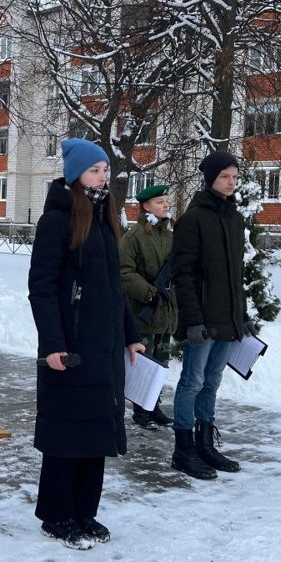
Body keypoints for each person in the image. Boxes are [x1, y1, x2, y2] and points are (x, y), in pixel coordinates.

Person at [28, 138, 145, 550]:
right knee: (66, 432)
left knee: (95, 431)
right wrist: (53, 345)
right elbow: (41, 288)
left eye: (105, 170)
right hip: (72, 348)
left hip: (104, 345)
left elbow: (115, 290)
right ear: (75, 173)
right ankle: (57, 515)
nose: (102, 177)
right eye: (95, 170)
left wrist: (131, 336)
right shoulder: (56, 221)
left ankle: (84, 512)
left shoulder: (105, 219)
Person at [170, 150, 255, 480]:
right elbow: (183, 274)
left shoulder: (234, 217)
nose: (231, 182)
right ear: (210, 179)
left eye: (235, 177)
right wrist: (193, 320)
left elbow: (236, 273)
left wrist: (242, 314)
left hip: (226, 318)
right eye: (225, 176)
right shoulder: (194, 218)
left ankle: (205, 444)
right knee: (192, 381)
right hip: (202, 321)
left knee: (213, 382)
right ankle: (183, 449)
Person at [119, 184, 178, 430]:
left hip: (164, 310)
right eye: (159, 202)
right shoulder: (135, 236)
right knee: (144, 363)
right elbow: (124, 271)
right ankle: (140, 410)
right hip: (143, 311)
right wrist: (149, 293)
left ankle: (153, 405)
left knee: (161, 362)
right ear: (146, 206)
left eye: (166, 201)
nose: (165, 205)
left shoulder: (168, 234)